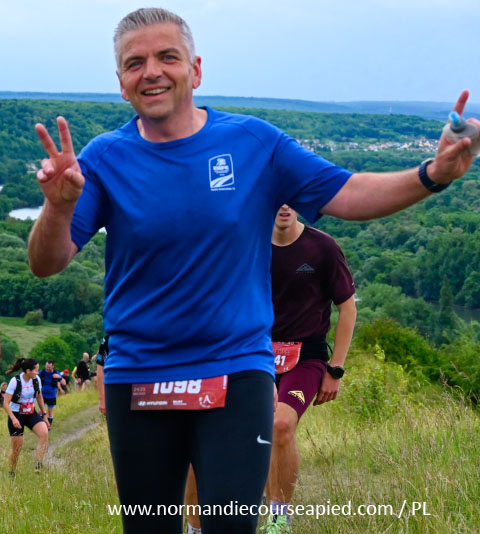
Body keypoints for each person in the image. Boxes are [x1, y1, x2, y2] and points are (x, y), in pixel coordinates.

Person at [27, 7, 475, 533]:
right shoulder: (105, 157)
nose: (151, 72)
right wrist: (57, 207)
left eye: (167, 57)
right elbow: (46, 262)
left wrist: (433, 174)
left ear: (196, 70)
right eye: (135, 63)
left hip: (236, 370)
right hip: (141, 375)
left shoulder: (253, 143)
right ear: (121, 83)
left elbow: (350, 192)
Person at [263, 205, 357, 532]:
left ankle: (279, 518)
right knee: (260, 430)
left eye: (291, 199)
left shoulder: (323, 247)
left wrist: (336, 369)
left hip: (306, 356)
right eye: (278, 198)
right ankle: (263, 498)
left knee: (281, 424)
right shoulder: (250, 244)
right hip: (257, 355)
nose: (284, 206)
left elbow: (348, 309)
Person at [3, 358, 50, 475]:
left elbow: (39, 396)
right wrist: (13, 419)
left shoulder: (36, 380)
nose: (38, 372)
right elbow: (5, 403)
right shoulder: (15, 381)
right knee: (17, 448)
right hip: (16, 414)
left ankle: (38, 466)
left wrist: (44, 415)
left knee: (44, 433)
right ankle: (12, 472)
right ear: (28, 371)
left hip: (30, 412)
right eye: (36, 370)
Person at [38, 359, 66, 427]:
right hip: (42, 395)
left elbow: (64, 383)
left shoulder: (56, 373)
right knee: (40, 411)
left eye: (49, 367)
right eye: (47, 367)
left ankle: (48, 426)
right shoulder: (42, 372)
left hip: (52, 395)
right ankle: (42, 425)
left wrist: (59, 377)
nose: (48, 368)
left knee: (50, 411)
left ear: (53, 366)